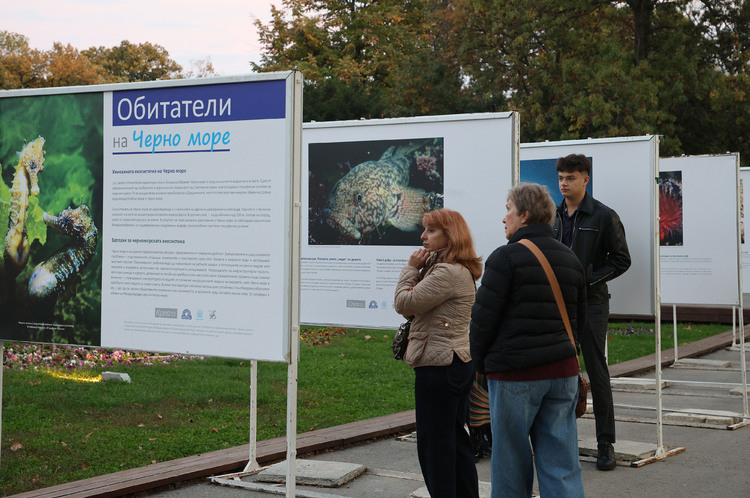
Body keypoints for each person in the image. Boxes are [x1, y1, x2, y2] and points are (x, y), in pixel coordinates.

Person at [470, 182, 586, 498]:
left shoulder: (505, 258)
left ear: (524, 214)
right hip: (562, 373)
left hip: (514, 375)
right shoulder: (570, 258)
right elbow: (579, 322)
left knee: (510, 465)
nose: (503, 218)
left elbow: (482, 322)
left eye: (508, 209)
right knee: (563, 464)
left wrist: (480, 366)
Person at [394, 208, 483, 498]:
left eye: (431, 230)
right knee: (454, 439)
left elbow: (404, 303)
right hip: (454, 361)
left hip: (439, 365)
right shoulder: (456, 268)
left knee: (434, 445)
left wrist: (410, 268)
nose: (423, 236)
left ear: (450, 235)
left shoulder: (446, 272)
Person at [554, 153, 631, 471]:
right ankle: (559, 439)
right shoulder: (553, 216)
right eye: (560, 177)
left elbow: (621, 260)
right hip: (558, 303)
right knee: (559, 369)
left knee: (597, 371)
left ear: (585, 179)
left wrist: (587, 279)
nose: (563, 183)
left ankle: (606, 444)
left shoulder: (603, 216)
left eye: (570, 177)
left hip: (592, 303)